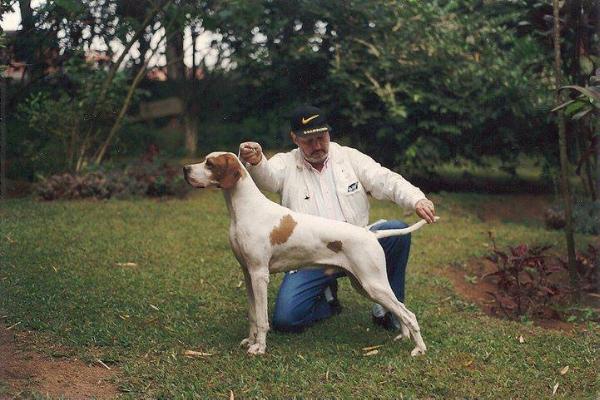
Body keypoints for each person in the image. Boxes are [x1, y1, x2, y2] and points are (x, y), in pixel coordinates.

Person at [238, 104, 436, 333]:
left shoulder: (349, 157)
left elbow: (385, 179)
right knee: (286, 320)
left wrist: (416, 199)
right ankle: (327, 299)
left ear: (329, 133)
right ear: (294, 138)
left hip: (358, 246)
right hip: (309, 257)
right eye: (308, 141)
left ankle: (389, 311)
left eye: (322, 138)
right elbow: (268, 178)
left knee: (396, 232)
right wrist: (257, 160)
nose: (317, 146)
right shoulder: (285, 164)